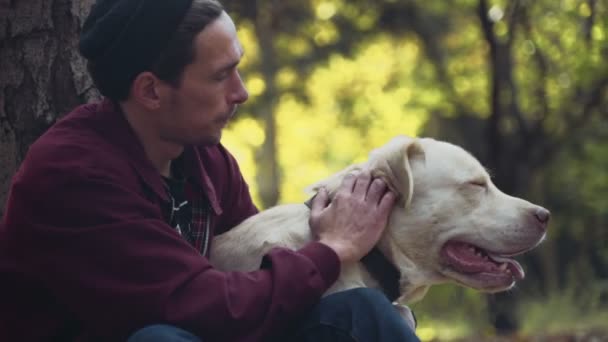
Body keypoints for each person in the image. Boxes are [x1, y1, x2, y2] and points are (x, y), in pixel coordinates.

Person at [0, 0, 420, 341]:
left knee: (361, 314)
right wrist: (334, 249)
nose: (241, 92)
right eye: (221, 76)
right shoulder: (73, 177)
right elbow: (210, 307)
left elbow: (259, 281)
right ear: (150, 90)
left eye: (237, 67)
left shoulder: (203, 157)